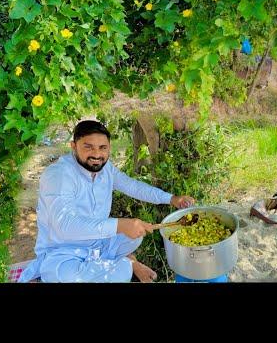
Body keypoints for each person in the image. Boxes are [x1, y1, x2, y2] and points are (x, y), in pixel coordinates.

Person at [18, 119, 195, 283]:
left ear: (109, 148)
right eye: (88, 147)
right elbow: (65, 226)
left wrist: (172, 199)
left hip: (98, 243)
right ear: (73, 146)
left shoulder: (106, 169)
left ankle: (113, 264)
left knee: (134, 237)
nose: (96, 154)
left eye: (103, 148)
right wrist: (120, 225)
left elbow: (133, 187)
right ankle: (127, 265)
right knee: (119, 272)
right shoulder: (59, 174)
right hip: (63, 253)